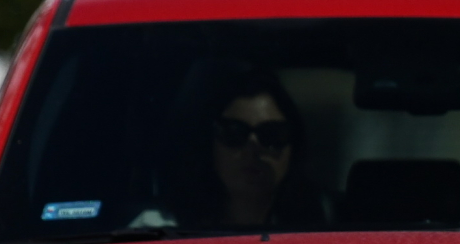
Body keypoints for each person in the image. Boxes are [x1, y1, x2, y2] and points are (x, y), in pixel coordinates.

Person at [139, 63, 325, 230]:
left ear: (293, 148)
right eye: (234, 133)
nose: (253, 146)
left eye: (271, 134)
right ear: (210, 145)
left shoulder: (319, 235)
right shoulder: (158, 231)